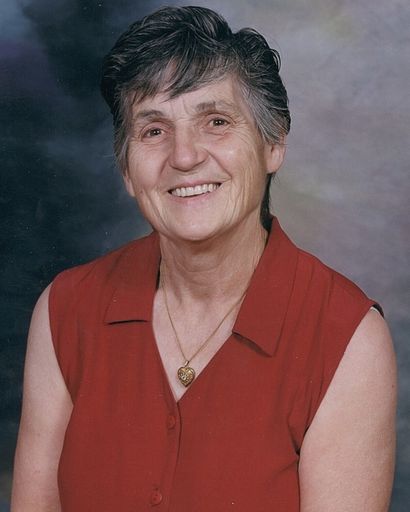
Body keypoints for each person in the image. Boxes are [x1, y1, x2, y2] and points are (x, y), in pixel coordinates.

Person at [11, 6, 396, 511]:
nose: (185, 156)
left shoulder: (346, 338)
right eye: (153, 130)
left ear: (273, 144)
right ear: (127, 169)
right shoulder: (66, 311)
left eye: (216, 122)